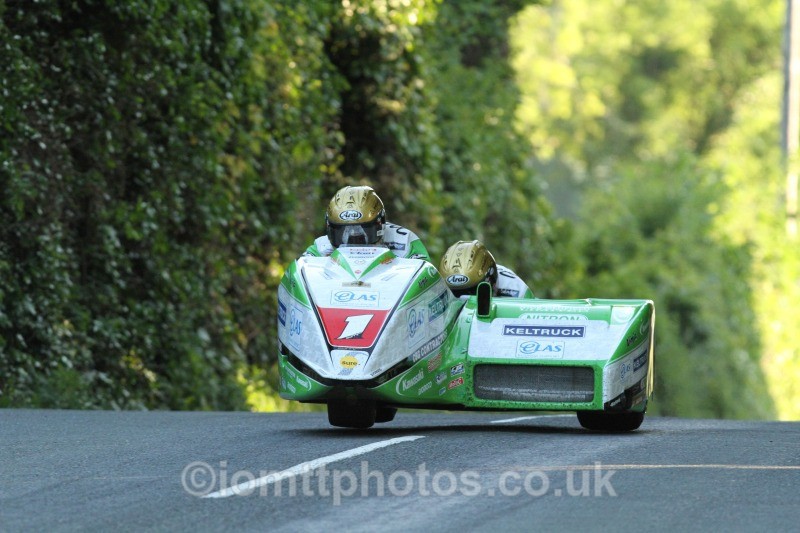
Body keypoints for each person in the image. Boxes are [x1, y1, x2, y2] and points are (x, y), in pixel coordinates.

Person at [303, 185, 430, 261]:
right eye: (342, 232)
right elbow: (300, 271)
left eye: (363, 230)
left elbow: (427, 276)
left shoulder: (405, 241)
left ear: (380, 224)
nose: (352, 239)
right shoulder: (320, 247)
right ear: (330, 228)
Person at [439, 240, 533, 298]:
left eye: (473, 292)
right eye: (455, 293)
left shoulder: (516, 290)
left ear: (491, 278)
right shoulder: (437, 292)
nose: (463, 299)